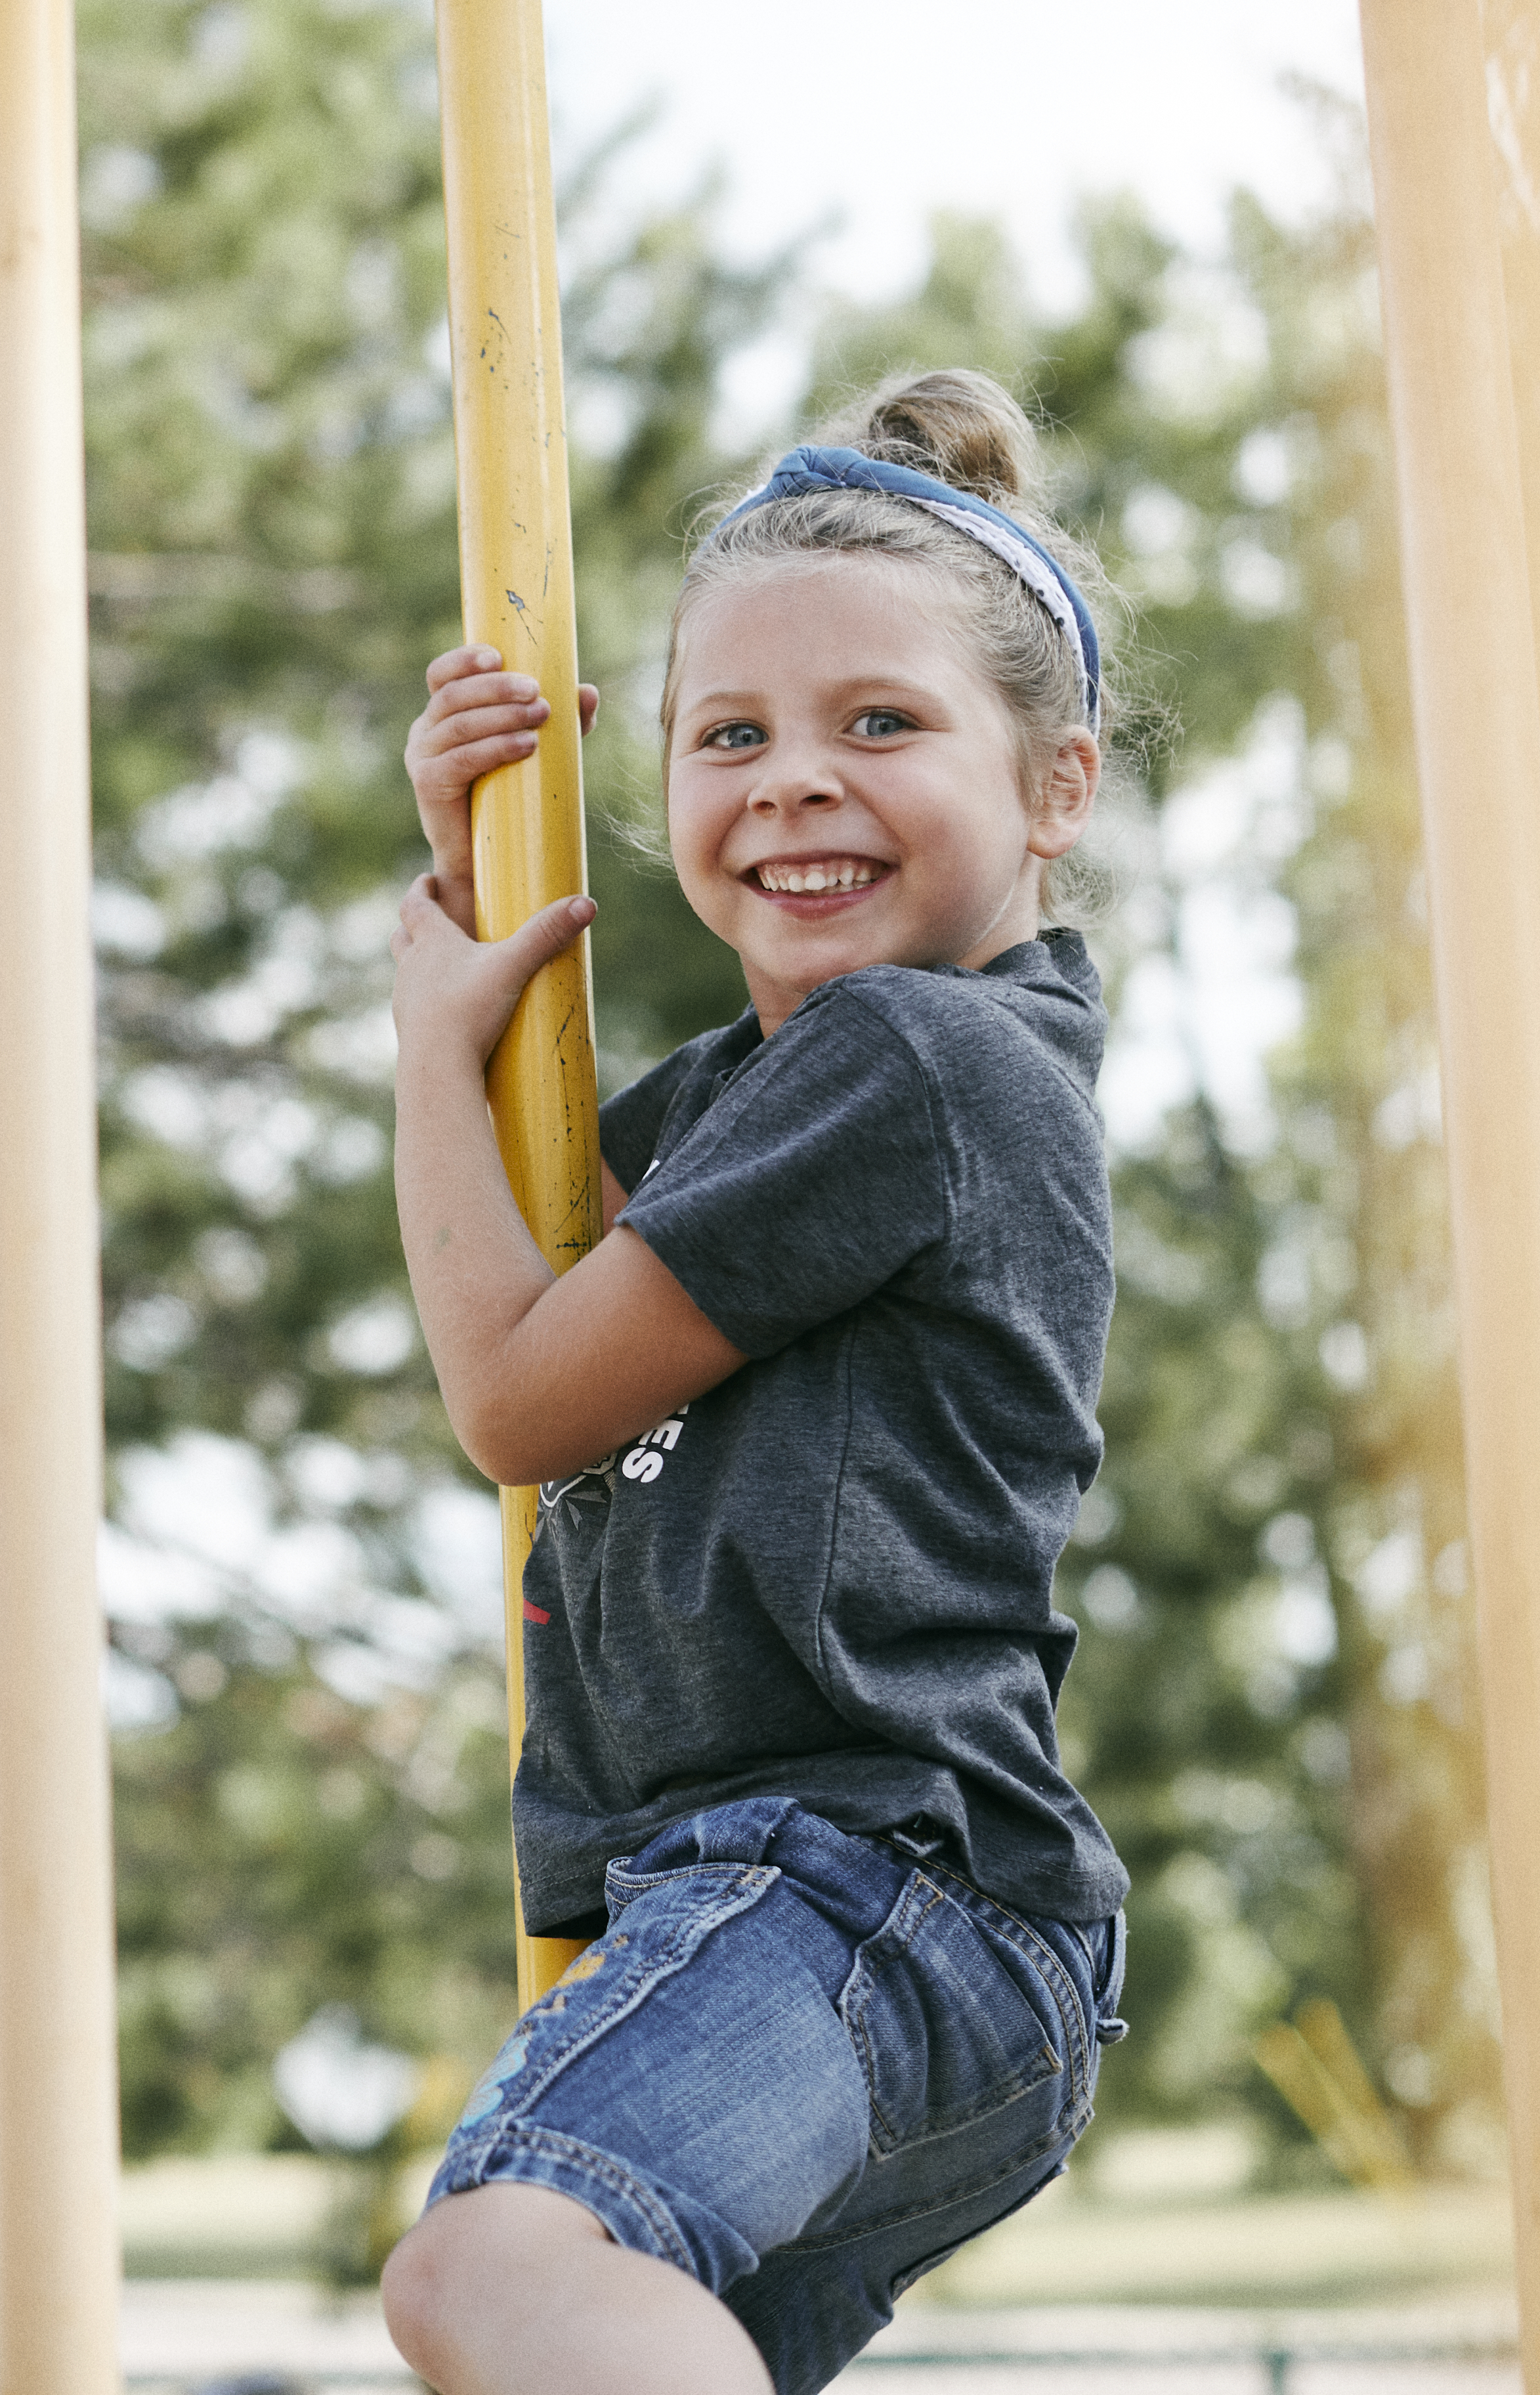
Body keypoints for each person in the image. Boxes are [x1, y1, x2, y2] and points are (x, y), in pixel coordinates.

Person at [374, 367, 1134, 2395]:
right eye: (733, 736)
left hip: (864, 1884)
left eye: (878, 725)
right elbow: (525, 1261)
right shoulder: (772, 1094)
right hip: (854, 1913)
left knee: (488, 2269)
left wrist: (423, 1037)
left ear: (1058, 787)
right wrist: (471, 870)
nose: (792, 782)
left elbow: (521, 1397)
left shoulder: (918, 1061)